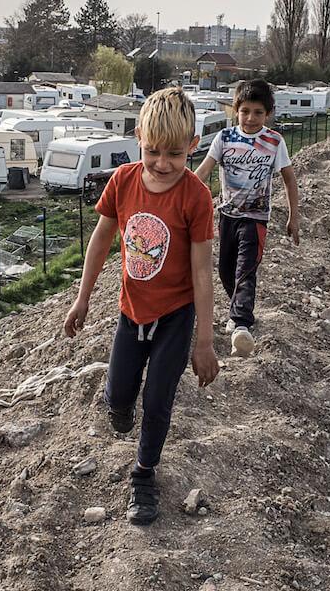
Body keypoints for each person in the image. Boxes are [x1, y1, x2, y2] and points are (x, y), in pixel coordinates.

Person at [64, 87, 218, 526]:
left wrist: (204, 342)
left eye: (175, 153)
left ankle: (143, 475)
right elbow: (100, 241)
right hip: (130, 313)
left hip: (176, 316)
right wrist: (82, 297)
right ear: (137, 138)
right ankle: (120, 407)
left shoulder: (195, 197)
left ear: (193, 145)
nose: (163, 163)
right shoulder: (124, 181)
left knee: (158, 400)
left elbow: (203, 273)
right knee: (118, 397)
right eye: (153, 151)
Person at [195, 79, 300, 356]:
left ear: (268, 114)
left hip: (255, 219)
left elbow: (289, 180)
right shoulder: (224, 138)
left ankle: (242, 324)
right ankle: (238, 311)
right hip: (227, 216)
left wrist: (294, 217)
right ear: (236, 110)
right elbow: (204, 171)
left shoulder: (274, 141)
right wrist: (183, 196)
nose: (251, 118)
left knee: (246, 270)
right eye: (245, 111)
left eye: (258, 112)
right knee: (225, 271)